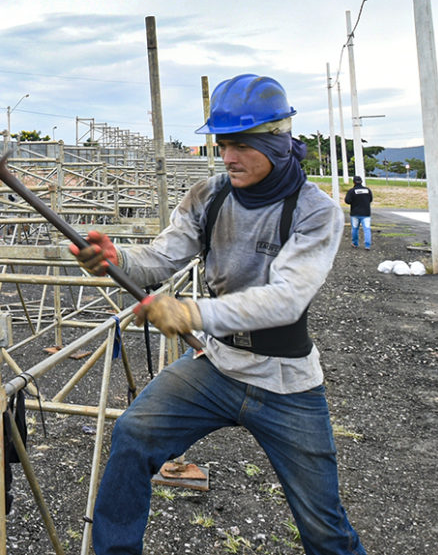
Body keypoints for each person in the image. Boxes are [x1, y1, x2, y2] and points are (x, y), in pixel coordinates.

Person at [72, 74, 367, 555]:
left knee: (323, 526)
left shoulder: (316, 212)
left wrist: (189, 313)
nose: (227, 157)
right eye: (223, 144)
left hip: (286, 382)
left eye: (241, 145)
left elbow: (285, 298)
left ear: (277, 141)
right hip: (218, 367)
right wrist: (118, 258)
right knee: (134, 434)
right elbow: (161, 258)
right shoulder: (209, 196)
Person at [344, 175, 373, 250]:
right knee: (367, 229)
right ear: (361, 181)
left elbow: (347, 201)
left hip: (355, 213)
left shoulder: (352, 191)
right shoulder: (367, 190)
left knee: (355, 229)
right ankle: (367, 245)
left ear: (353, 182)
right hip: (366, 213)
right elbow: (370, 199)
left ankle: (355, 243)